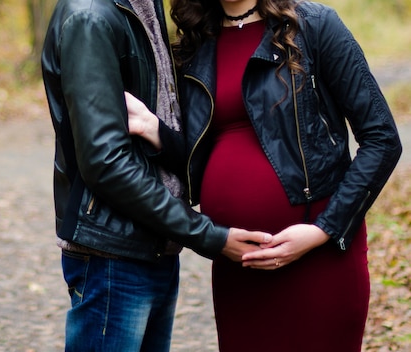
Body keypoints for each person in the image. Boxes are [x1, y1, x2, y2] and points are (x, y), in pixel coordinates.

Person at [125, 0, 403, 350]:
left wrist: (323, 229)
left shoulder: (313, 25)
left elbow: (382, 139)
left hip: (319, 259)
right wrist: (157, 132)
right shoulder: (197, 42)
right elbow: (203, 161)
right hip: (238, 266)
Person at [40, 0, 274, 350]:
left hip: (154, 247)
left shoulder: (145, 6)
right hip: (112, 257)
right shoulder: (90, 16)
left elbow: (163, 120)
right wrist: (208, 235)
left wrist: (161, 134)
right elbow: (106, 163)